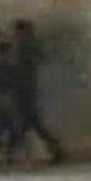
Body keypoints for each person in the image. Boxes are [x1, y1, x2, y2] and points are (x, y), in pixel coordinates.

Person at [12, 20, 65, 163]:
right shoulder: (28, 46)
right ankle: (55, 150)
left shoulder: (25, 47)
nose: (16, 35)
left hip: (26, 90)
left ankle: (12, 155)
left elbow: (21, 70)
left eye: (18, 32)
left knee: (27, 124)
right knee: (31, 124)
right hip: (27, 89)